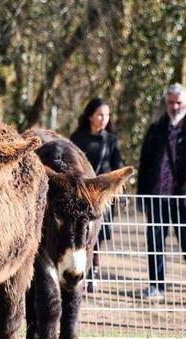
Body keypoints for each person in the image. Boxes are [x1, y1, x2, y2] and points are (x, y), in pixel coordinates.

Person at [137, 83, 186, 301]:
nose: (174, 106)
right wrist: (142, 194)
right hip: (157, 195)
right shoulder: (156, 128)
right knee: (155, 240)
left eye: (179, 102)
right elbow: (145, 163)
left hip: (183, 196)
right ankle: (156, 286)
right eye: (170, 102)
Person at [70, 98, 124, 292]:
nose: (104, 119)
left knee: (98, 236)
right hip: (83, 195)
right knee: (82, 233)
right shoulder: (77, 138)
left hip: (103, 196)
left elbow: (118, 165)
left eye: (107, 115)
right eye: (100, 114)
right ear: (90, 116)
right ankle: (81, 270)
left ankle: (93, 273)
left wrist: (120, 188)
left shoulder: (111, 140)